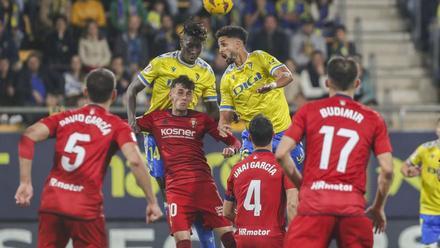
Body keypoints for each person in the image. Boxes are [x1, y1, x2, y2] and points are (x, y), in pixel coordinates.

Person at [14, 68, 163, 247]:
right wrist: (152, 201)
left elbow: (28, 135)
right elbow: (135, 161)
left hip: (52, 203)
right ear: (114, 95)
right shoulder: (117, 126)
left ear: (85, 93)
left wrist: (25, 182)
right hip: (85, 210)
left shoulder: (63, 117)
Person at [275, 56, 394, 247]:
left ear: (327, 82)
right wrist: (378, 207)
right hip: (352, 208)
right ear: (357, 83)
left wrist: (303, 185)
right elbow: (387, 170)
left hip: (314, 205)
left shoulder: (308, 111)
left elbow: (281, 153)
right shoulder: (373, 118)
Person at [126, 19, 219, 247]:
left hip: (185, 136)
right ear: (181, 40)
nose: (194, 51)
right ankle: (177, 217)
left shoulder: (206, 71)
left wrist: (205, 126)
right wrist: (131, 120)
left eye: (199, 46)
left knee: (193, 190)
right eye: (190, 45)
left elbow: (213, 109)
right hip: (156, 133)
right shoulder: (162, 62)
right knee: (163, 180)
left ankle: (191, 228)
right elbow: (132, 90)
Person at [136, 75, 239, 248]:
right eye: (180, 92)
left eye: (188, 94)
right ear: (171, 94)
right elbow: (127, 125)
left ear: (192, 97)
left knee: (229, 239)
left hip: (204, 186)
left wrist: (233, 149)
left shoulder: (201, 119)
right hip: (176, 189)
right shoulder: (155, 118)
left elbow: (234, 141)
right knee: (182, 243)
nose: (184, 97)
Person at [215, 25, 304, 168]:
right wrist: (224, 127)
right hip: (253, 141)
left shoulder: (259, 57)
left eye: (224, 45)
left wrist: (272, 85)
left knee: (291, 186)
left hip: (282, 134)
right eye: (219, 47)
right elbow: (225, 117)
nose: (221, 50)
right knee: (253, 183)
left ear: (238, 44)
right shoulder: (226, 79)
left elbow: (287, 76)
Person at [224, 114, 296, 248]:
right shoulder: (282, 167)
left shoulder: (236, 169)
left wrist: (248, 226)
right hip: (273, 239)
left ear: (250, 138)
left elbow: (227, 211)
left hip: (244, 239)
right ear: (274, 135)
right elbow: (292, 205)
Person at [401, 118, 440, 248]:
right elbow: (404, 167)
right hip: (429, 211)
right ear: (437, 129)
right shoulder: (425, 149)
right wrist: (409, 172)